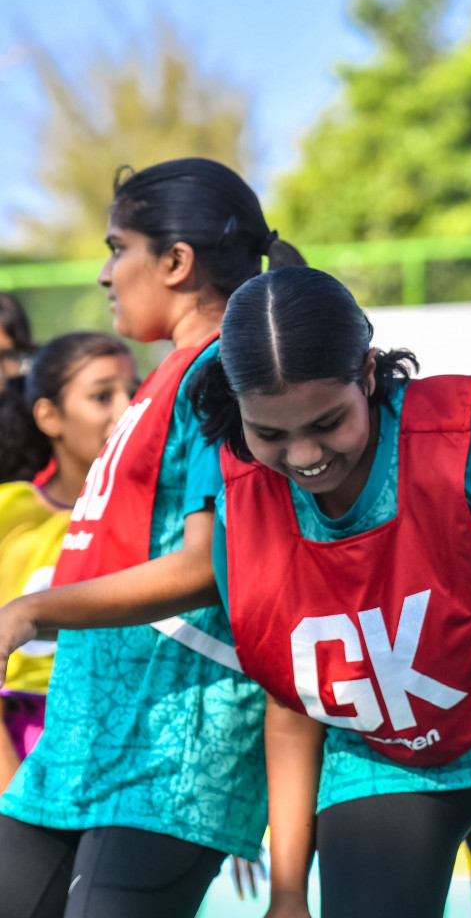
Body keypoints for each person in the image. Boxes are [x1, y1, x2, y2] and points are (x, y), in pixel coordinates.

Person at [0, 267, 471, 918]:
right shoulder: (242, 498)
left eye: (327, 422)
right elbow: (294, 693)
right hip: (379, 757)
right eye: (270, 432)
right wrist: (290, 891)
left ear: (367, 371)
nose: (303, 456)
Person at [0, 158, 302, 918]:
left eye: (115, 247)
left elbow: (206, 566)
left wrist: (35, 610)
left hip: (173, 747)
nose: (105, 274)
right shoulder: (163, 380)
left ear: (174, 261)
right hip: (83, 741)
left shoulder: (226, 372)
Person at [0, 333, 138, 794]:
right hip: (22, 757)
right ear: (49, 416)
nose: (127, 409)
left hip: (126, 754)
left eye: (136, 393)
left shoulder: (165, 520)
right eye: (102, 396)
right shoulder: (10, 512)